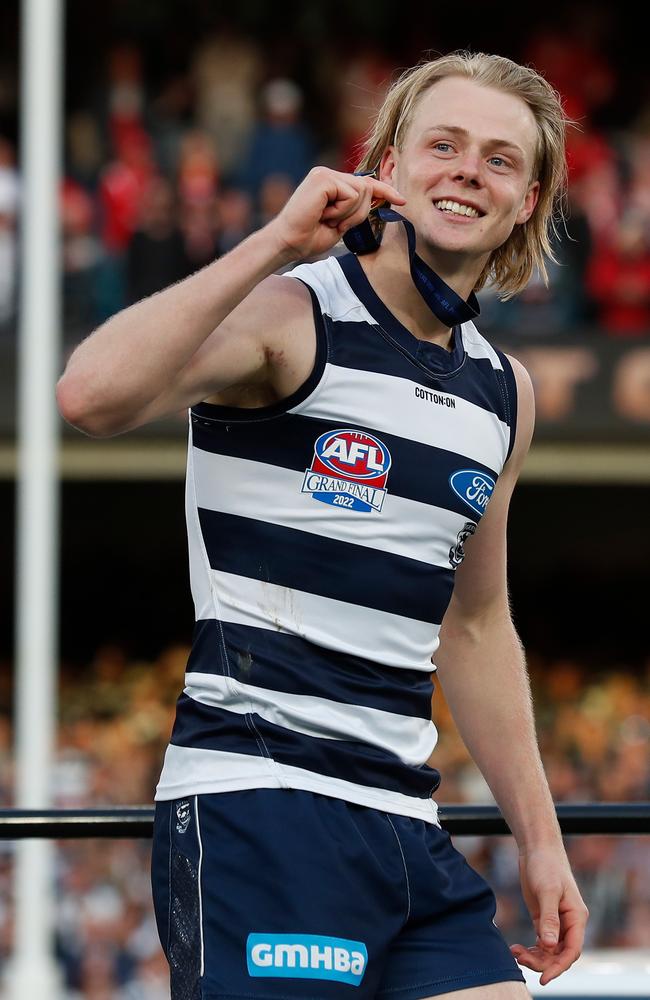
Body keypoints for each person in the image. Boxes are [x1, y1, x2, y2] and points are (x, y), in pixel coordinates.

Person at [57, 50, 589, 1000]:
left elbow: (474, 624)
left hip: (407, 827)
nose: (469, 169)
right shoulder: (288, 313)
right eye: (444, 145)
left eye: (500, 159)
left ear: (528, 200)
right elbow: (89, 396)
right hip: (263, 809)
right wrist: (273, 241)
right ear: (385, 162)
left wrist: (541, 842)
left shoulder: (506, 392)